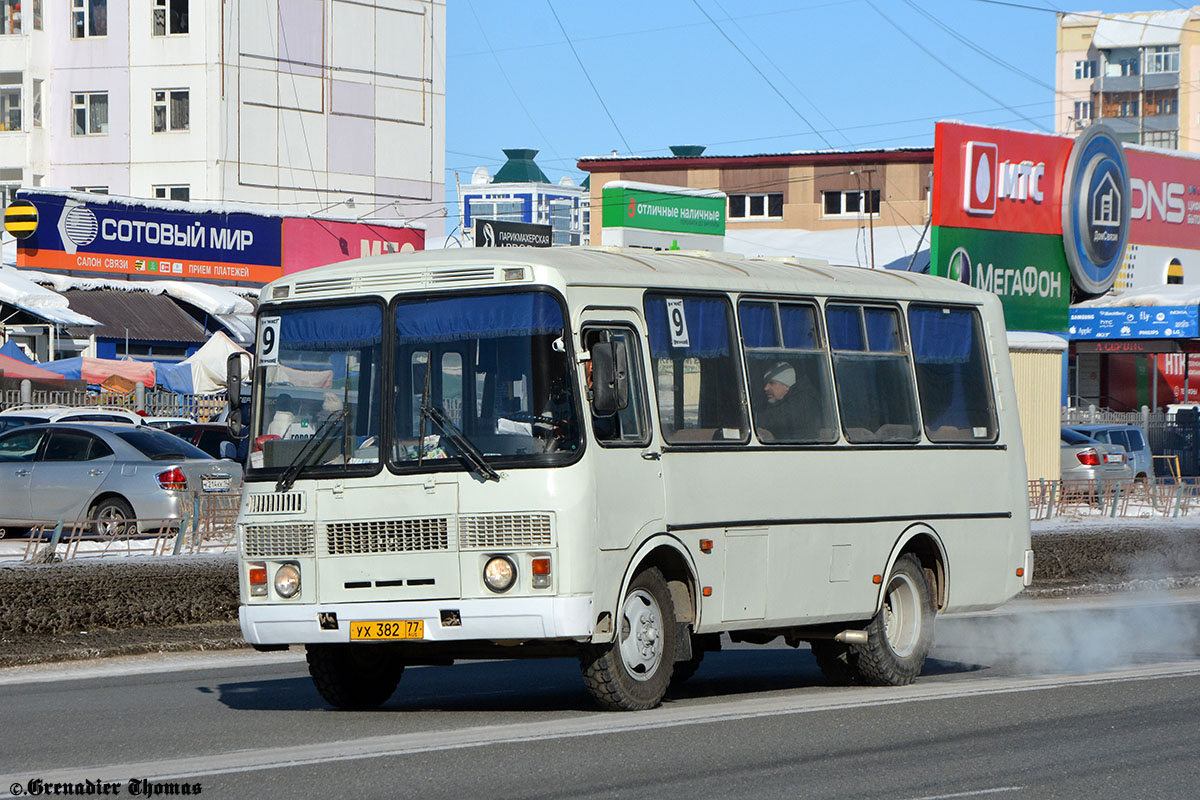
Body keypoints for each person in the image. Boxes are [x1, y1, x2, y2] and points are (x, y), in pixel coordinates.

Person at [756, 362, 801, 441]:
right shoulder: (772, 405)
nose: (766, 388)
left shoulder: (798, 406)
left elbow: (772, 419)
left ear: (787, 386)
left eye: (772, 383)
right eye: (766, 383)